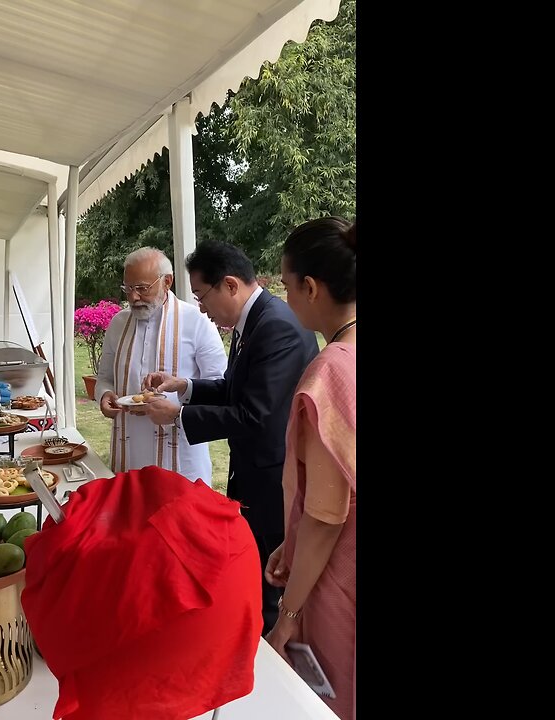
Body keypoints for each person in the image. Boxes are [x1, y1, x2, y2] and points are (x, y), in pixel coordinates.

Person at [141, 240, 319, 634]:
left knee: (271, 575)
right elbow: (236, 388)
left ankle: (274, 656)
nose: (201, 307)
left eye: (202, 295)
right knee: (254, 569)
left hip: (274, 477)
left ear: (231, 285)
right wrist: (185, 386)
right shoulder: (252, 321)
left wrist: (179, 416)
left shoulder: (275, 327)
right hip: (255, 470)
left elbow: (255, 414)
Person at [262, 217, 357, 720]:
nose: (284, 295)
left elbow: (326, 516)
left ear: (311, 287)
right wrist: (291, 542)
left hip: (339, 578)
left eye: (285, 282)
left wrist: (289, 616)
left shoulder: (330, 372)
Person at [95, 247, 227, 483]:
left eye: (142, 288)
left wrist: (176, 410)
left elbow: (219, 387)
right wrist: (104, 395)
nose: (134, 297)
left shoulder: (196, 322)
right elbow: (105, 376)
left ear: (167, 282)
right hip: (129, 449)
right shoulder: (118, 323)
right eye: (128, 289)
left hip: (180, 455)